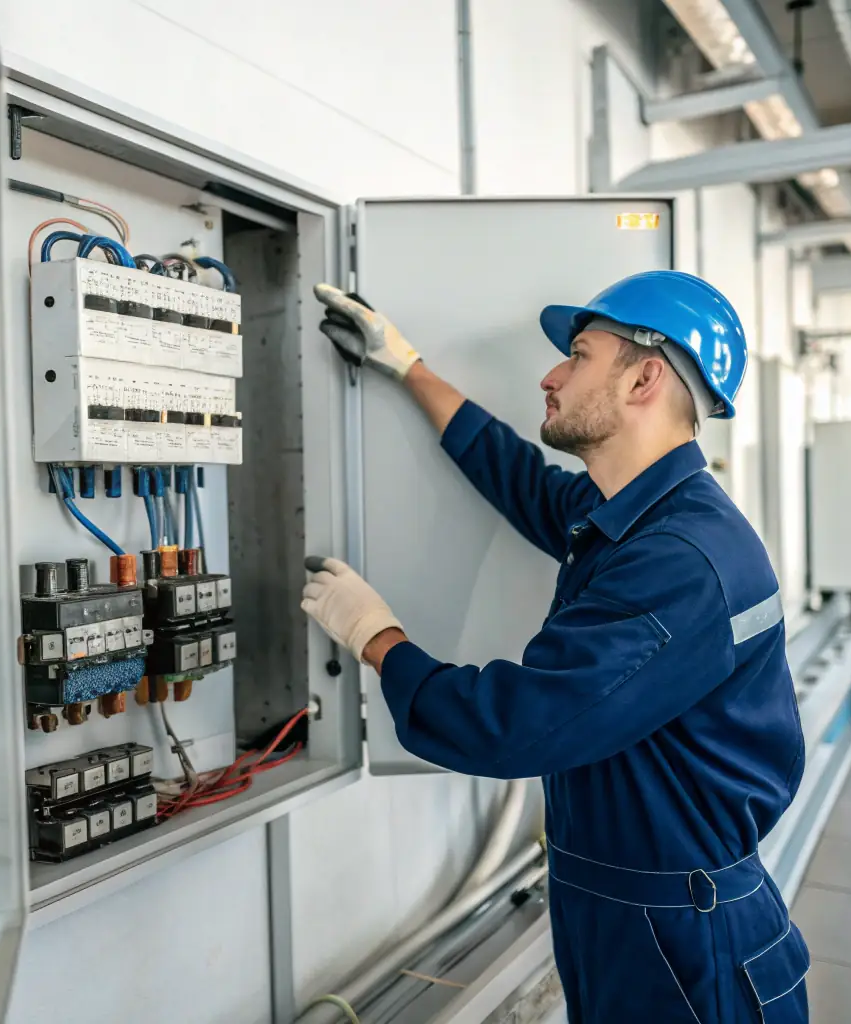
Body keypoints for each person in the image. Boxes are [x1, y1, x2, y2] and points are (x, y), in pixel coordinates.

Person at [300, 271, 809, 1024]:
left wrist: (375, 637)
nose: (550, 374)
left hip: (687, 943)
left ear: (643, 377)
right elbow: (517, 477)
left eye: (576, 355)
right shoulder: (633, 516)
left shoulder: (680, 560)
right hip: (627, 912)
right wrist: (405, 365)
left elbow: (512, 727)